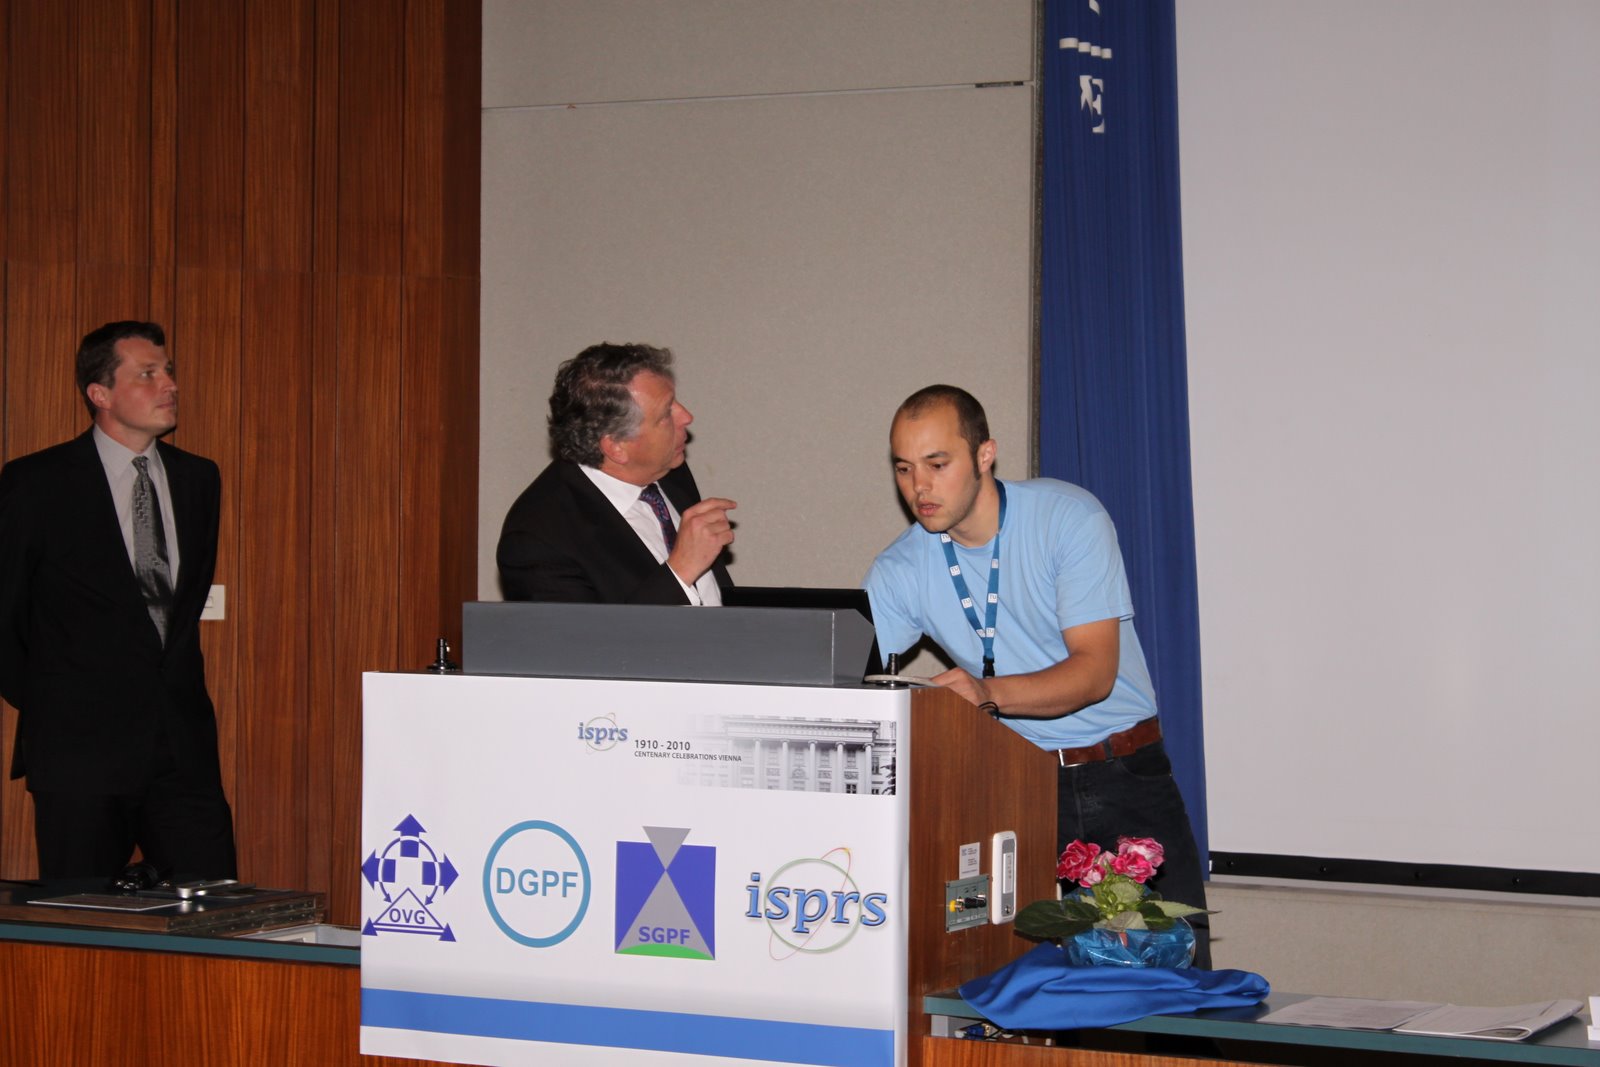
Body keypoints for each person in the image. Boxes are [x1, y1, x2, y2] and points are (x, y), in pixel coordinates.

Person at [863, 384, 1210, 966]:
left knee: (1170, 987)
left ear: (984, 454)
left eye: (937, 464)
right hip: (1011, 785)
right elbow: (861, 691)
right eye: (904, 468)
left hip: (1121, 776)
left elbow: (1094, 674)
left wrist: (984, 693)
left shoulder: (1066, 517)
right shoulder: (899, 568)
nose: (919, 486)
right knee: (1008, 977)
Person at [0, 321, 236, 882]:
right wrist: (56, 702)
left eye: (168, 370)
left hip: (182, 750)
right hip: (78, 753)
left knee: (212, 907)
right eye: (147, 374)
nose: (169, 384)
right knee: (82, 916)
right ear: (100, 394)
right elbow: (6, 611)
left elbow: (182, 607)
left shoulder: (199, 479)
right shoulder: (36, 481)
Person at [497, 342, 735, 604]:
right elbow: (587, 632)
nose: (687, 417)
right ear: (616, 447)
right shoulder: (538, 540)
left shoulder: (667, 467)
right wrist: (681, 570)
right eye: (666, 413)